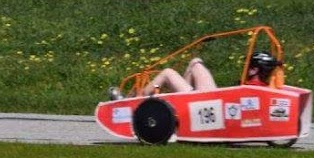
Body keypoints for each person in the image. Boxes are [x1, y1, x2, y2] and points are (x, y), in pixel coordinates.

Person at [107, 51, 283, 99]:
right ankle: (174, 98)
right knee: (195, 62)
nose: (245, 69)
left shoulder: (251, 87)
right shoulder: (263, 87)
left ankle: (131, 102)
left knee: (167, 72)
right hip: (214, 98)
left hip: (209, 102)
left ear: (254, 70)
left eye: (248, 66)